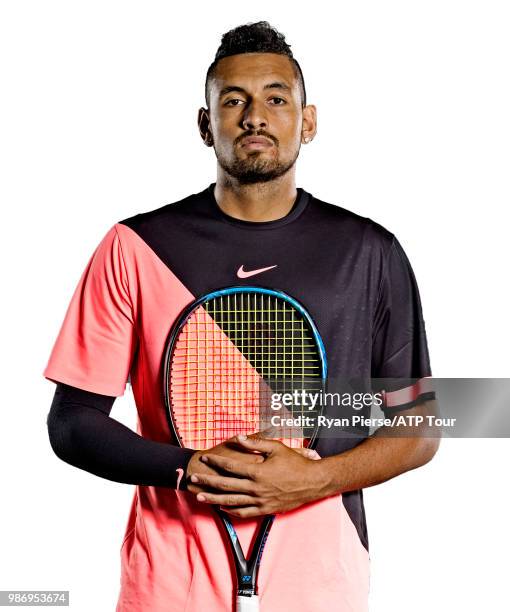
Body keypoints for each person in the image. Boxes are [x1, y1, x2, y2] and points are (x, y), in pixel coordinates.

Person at [44, 21, 439, 612]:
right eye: (234, 100)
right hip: (169, 582)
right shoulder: (134, 246)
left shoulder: (370, 251)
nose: (256, 116)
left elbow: (420, 425)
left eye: (276, 98)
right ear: (206, 125)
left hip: (320, 585)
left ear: (307, 121)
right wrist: (188, 468)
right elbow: (72, 422)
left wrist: (314, 479)